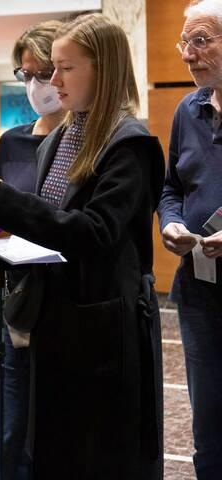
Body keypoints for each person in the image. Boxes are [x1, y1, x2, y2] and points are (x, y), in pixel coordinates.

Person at [0, 14, 165, 479]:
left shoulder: (130, 144)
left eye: (65, 69)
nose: (53, 81)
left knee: (101, 458)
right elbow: (50, 229)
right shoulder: (62, 137)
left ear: (102, 69)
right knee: (52, 452)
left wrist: (3, 199)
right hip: (55, 324)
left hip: (104, 333)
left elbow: (94, 232)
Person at [0, 19, 64, 480]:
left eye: (43, 73)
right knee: (12, 423)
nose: (35, 85)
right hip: (18, 294)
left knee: (58, 426)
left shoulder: (90, 142)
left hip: (68, 297)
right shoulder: (13, 142)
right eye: (25, 75)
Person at [158, 1, 222, 477]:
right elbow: (171, 189)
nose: (187, 54)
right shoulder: (188, 110)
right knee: (209, 426)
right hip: (200, 292)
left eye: (201, 41)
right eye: (185, 42)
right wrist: (171, 223)